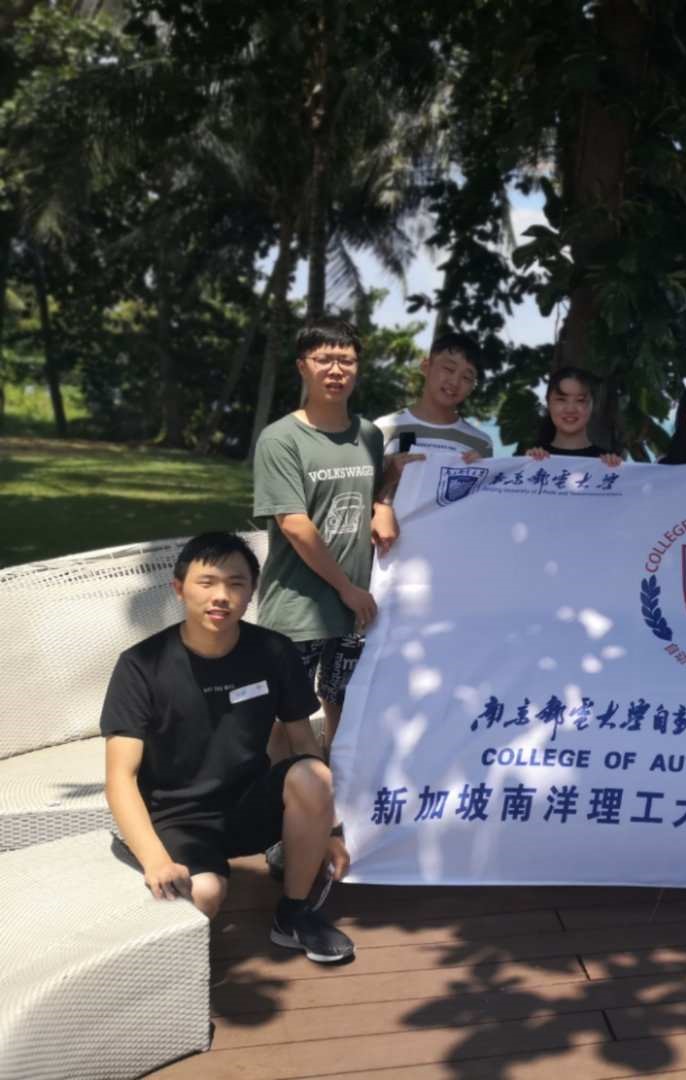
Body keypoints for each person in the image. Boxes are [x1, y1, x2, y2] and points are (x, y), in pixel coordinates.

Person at [102, 532, 355, 963]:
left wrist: (329, 831)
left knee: (314, 774)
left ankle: (294, 913)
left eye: (236, 584)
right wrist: (156, 859)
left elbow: (302, 742)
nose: (221, 595)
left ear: (252, 593)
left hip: (247, 803)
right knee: (205, 894)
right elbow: (120, 778)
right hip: (179, 817)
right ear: (179, 588)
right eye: (207, 582)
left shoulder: (272, 651)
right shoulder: (141, 665)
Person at [252, 317, 386, 752]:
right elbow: (294, 524)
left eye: (346, 360)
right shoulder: (280, 439)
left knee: (344, 707)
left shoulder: (369, 435)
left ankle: (336, 788)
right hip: (299, 609)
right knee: (284, 718)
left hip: (355, 612)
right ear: (302, 366)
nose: (336, 370)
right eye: (324, 359)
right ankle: (279, 793)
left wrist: (388, 493)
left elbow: (373, 496)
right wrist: (346, 588)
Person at [372, 332, 492, 540]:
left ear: (473, 386)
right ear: (426, 366)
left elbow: (483, 509)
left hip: (450, 548)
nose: (455, 381)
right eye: (449, 369)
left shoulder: (481, 443)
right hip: (390, 551)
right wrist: (390, 474)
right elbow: (359, 498)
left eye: (466, 377)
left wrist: (479, 475)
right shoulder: (383, 429)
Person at [526, 366, 623, 467]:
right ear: (548, 402)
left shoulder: (608, 463)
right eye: (561, 399)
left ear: (593, 404)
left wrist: (615, 470)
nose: (570, 409)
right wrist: (527, 465)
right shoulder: (532, 459)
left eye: (580, 400)